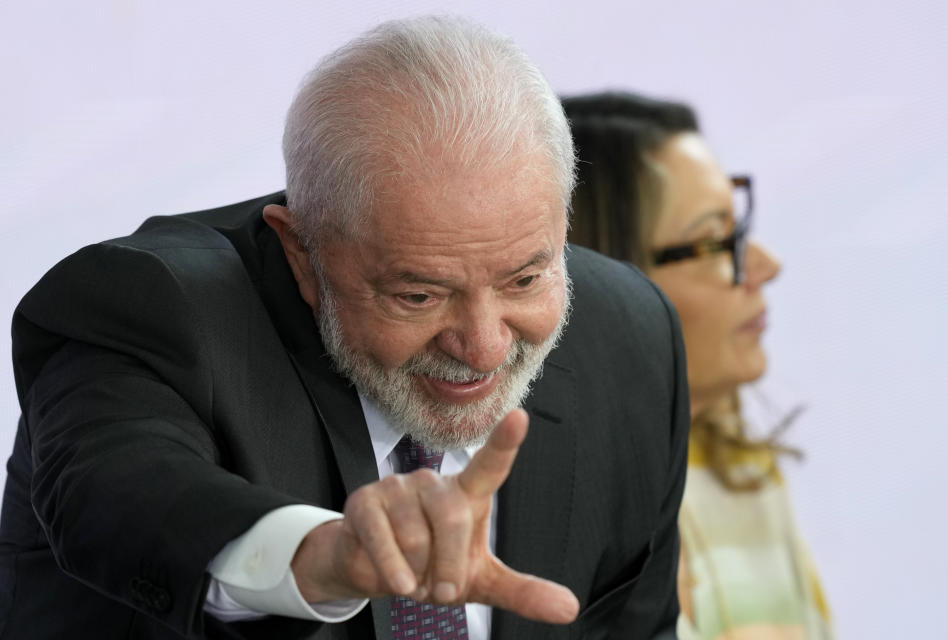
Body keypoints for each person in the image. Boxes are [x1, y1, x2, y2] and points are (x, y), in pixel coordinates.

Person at [0, 19, 690, 640]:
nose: (484, 346)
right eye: (419, 295)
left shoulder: (629, 338)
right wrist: (319, 557)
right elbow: (118, 491)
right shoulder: (148, 308)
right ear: (301, 253)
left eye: (524, 280)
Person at [562, 92, 833, 640]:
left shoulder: (746, 476)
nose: (767, 266)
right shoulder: (548, 525)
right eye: (716, 240)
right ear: (609, 281)